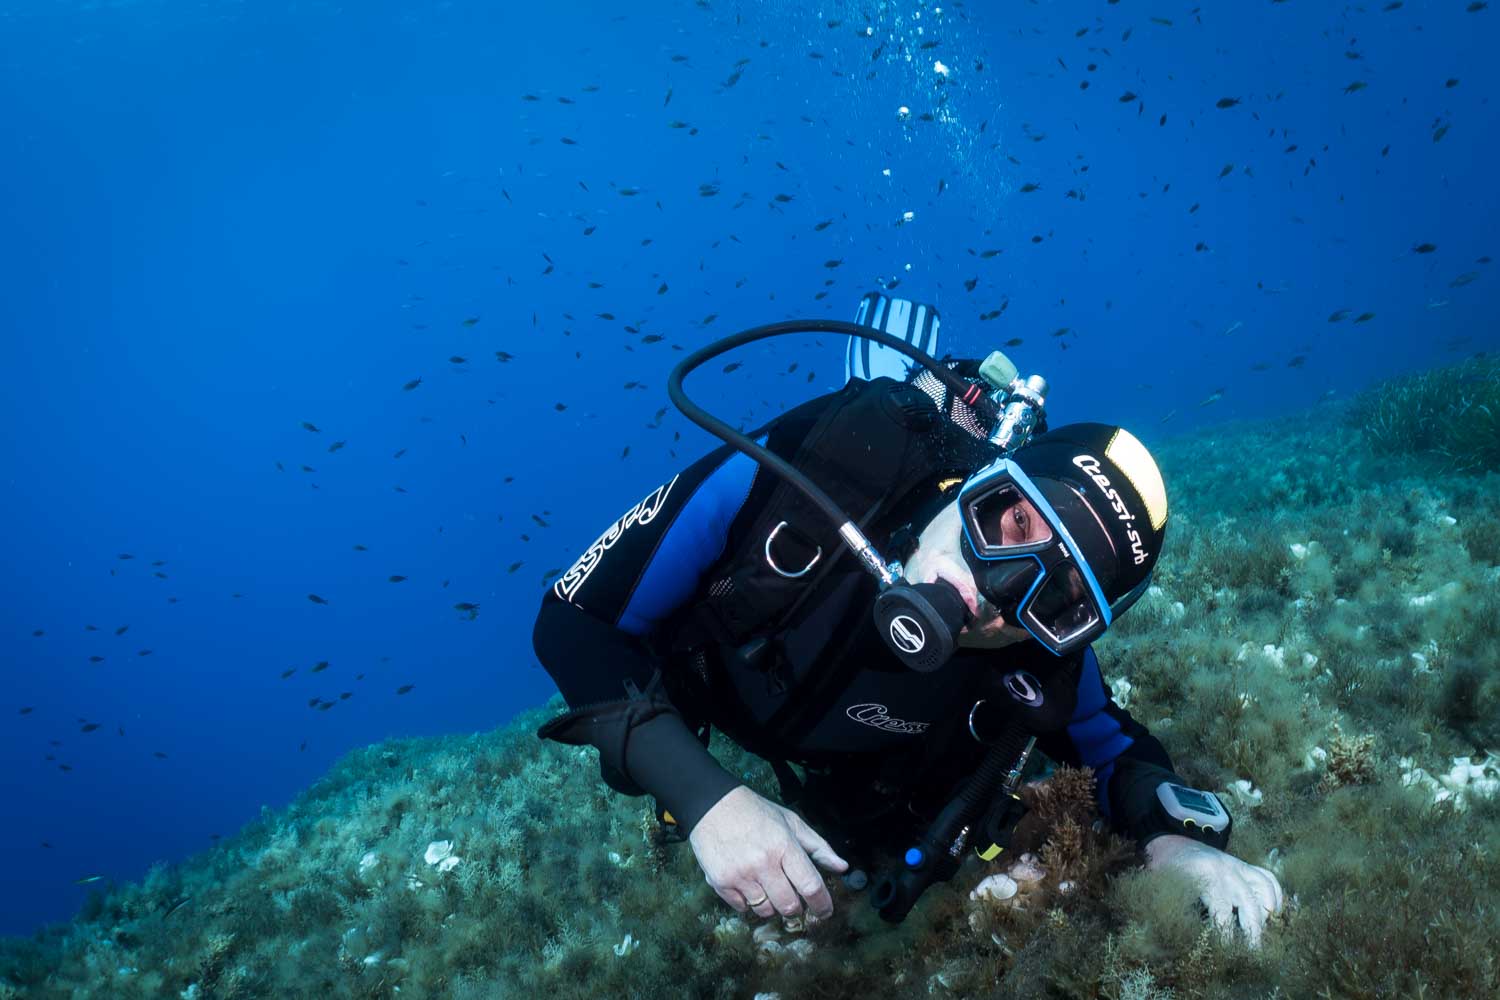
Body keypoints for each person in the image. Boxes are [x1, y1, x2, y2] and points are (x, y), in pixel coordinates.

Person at [531, 296, 1283, 947]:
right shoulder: (824, 462)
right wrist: (702, 796)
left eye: (1054, 597)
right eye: (1011, 520)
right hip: (716, 678)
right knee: (636, 751)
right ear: (986, 473)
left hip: (841, 767)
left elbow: (1117, 750)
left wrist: (1178, 845)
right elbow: (572, 617)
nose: (996, 591)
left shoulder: (1036, 657)